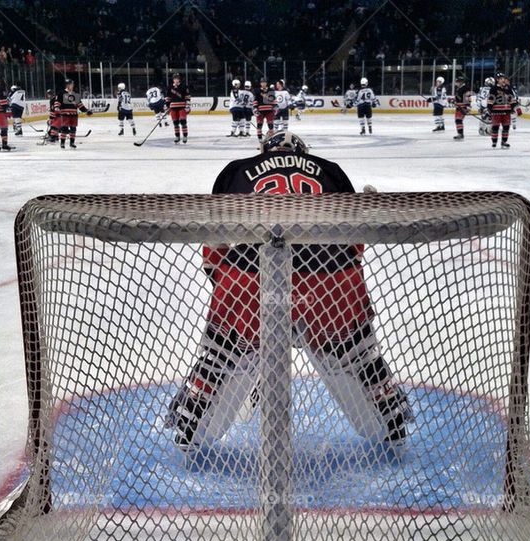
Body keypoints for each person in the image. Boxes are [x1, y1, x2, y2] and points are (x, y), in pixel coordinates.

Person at [165, 131, 412, 447]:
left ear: (263, 151)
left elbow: (215, 243)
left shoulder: (237, 168)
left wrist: (225, 291)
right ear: (303, 152)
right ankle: (391, 426)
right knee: (359, 358)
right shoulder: (329, 168)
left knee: (220, 357)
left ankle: (191, 431)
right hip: (329, 277)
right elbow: (355, 242)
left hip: (251, 275)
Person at [56, 78, 92, 148]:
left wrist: (86, 111)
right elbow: (57, 102)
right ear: (67, 85)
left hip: (74, 115)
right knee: (64, 129)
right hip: (65, 114)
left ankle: (72, 143)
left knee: (73, 129)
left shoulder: (75, 94)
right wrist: (56, 108)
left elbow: (80, 105)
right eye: (71, 84)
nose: (72, 85)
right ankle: (62, 143)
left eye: (72, 84)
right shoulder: (61, 93)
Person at [487, 73, 520, 148]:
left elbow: (512, 99)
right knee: (495, 127)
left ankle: (504, 142)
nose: (503, 80)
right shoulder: (494, 88)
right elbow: (490, 99)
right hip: (496, 111)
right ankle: (494, 141)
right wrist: (489, 108)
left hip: (506, 111)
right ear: (497, 80)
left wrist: (513, 107)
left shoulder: (508, 88)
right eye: (501, 79)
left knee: (506, 127)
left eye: (503, 79)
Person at [165, 74, 191, 143]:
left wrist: (188, 106)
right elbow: (168, 98)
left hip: (182, 107)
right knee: (175, 123)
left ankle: (185, 136)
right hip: (173, 108)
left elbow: (187, 97)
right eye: (175, 79)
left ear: (179, 79)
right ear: (173, 79)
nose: (176, 80)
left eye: (177, 78)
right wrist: (167, 107)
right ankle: (177, 136)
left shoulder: (184, 86)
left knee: (183, 122)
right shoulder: (169, 87)